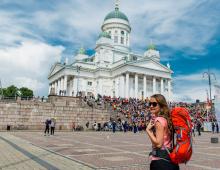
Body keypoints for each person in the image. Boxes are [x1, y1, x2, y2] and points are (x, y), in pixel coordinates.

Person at [146, 94, 179, 170]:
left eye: (154, 104)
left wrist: (148, 131)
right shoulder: (167, 119)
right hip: (170, 159)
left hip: (160, 161)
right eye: (149, 104)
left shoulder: (159, 120)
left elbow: (158, 144)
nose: (151, 106)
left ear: (161, 105)